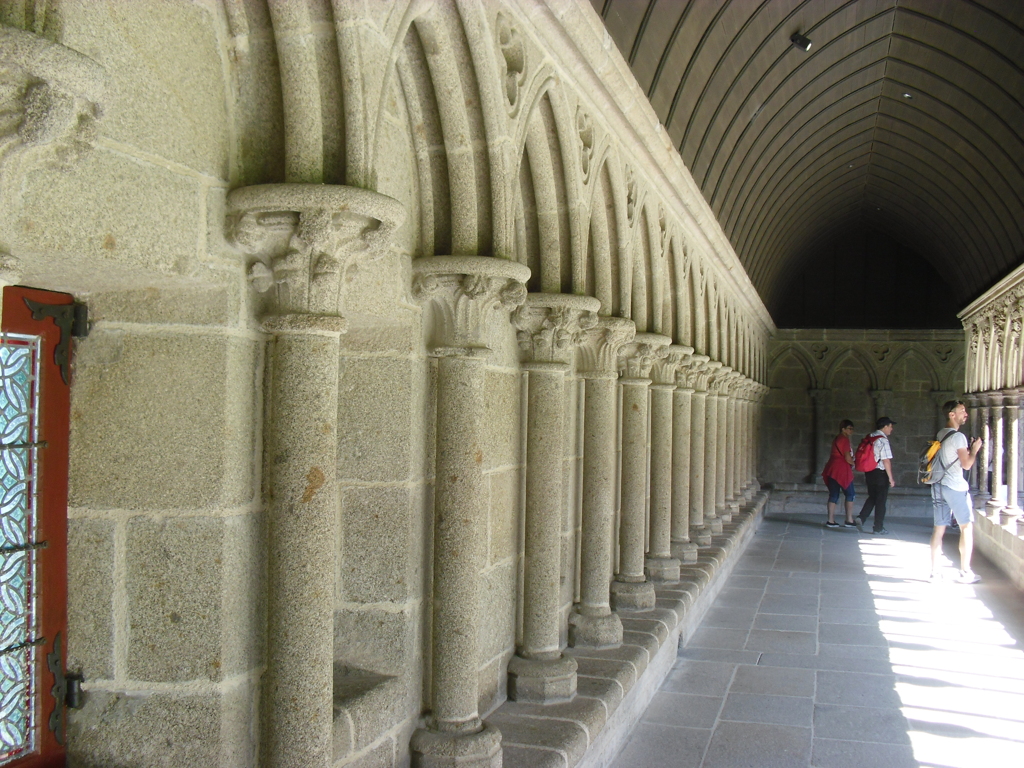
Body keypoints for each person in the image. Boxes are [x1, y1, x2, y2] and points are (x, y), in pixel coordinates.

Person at [930, 400, 982, 583]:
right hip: (954, 486)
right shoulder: (959, 437)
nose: (965, 414)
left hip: (938, 485)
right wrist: (974, 450)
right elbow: (966, 464)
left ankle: (935, 572)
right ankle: (965, 572)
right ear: (952, 415)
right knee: (966, 527)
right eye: (962, 411)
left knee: (939, 528)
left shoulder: (941, 433)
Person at [856, 417, 896, 535]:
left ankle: (861, 518)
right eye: (890, 426)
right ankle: (878, 527)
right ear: (885, 426)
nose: (891, 429)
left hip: (869, 472)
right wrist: (890, 478)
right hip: (880, 473)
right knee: (881, 501)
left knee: (873, 496)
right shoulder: (882, 440)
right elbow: (886, 461)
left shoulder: (870, 436)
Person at [822, 420, 857, 528]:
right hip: (841, 470)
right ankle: (849, 519)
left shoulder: (837, 438)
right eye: (849, 428)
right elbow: (847, 457)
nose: (851, 430)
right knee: (850, 494)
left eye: (852, 428)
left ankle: (830, 520)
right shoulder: (844, 439)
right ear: (843, 429)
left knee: (834, 495)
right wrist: (855, 463)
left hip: (832, 469)